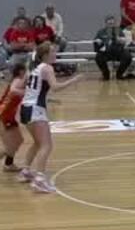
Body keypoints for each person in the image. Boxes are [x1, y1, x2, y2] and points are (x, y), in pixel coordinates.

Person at [17, 42, 84, 194]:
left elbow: (30, 89)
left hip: (25, 108)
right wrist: (74, 80)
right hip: (35, 110)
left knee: (37, 143)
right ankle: (39, 180)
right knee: (46, 145)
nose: (55, 54)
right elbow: (55, 87)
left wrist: (48, 100)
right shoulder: (47, 68)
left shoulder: (34, 68)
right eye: (53, 51)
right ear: (45, 55)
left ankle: (26, 171)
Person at [93, 15, 132, 81]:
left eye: (112, 23)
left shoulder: (119, 30)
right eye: (109, 24)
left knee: (128, 56)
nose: (111, 25)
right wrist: (98, 41)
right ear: (106, 23)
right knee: (98, 57)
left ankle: (119, 74)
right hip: (106, 52)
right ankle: (106, 74)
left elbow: (124, 40)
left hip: (118, 51)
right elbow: (96, 41)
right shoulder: (101, 31)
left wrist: (120, 40)